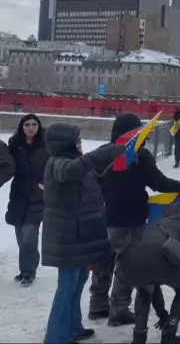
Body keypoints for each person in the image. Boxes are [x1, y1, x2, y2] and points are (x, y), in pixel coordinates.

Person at [89, 114, 180, 326]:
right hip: (130, 217)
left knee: (104, 260)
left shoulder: (102, 153)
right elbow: (158, 182)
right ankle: (119, 308)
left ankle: (98, 305)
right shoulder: (139, 155)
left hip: (104, 216)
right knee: (127, 263)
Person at [41, 124, 125, 344]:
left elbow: (93, 174)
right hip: (67, 236)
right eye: (77, 140)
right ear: (65, 143)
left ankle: (73, 327)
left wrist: (113, 160)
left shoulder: (75, 162)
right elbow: (71, 171)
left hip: (82, 233)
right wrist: (103, 153)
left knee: (78, 282)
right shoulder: (57, 162)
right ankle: (56, 336)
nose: (80, 144)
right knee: (67, 286)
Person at [119, 203, 180, 344]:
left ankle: (139, 337)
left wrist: (162, 313)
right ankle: (170, 332)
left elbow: (154, 282)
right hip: (163, 257)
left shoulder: (156, 223)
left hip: (132, 260)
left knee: (145, 290)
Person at [6, 114, 46, 287]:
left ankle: (29, 272)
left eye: (34, 124)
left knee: (29, 235)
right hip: (19, 196)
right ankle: (27, 267)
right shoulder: (15, 145)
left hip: (38, 196)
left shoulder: (46, 146)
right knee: (21, 238)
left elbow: (52, 165)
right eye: (27, 124)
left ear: (39, 127)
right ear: (22, 127)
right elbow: (7, 165)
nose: (31, 127)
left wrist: (44, 183)